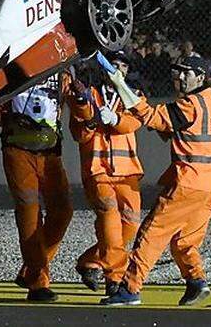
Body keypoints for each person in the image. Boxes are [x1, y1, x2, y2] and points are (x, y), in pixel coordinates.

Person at [102, 55, 211, 307]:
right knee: (185, 240)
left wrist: (121, 87)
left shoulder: (191, 104)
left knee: (150, 234)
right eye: (177, 71)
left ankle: (130, 289)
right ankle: (196, 281)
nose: (179, 77)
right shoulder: (210, 100)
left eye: (186, 73)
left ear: (200, 77)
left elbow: (151, 116)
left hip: (188, 184)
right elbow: (174, 126)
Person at [0, 74, 73, 302]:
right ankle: (38, 283)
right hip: (17, 149)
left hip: (50, 152)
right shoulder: (10, 70)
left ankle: (31, 269)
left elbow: (81, 113)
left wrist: (82, 100)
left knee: (63, 211)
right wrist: (0, 102)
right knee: (29, 211)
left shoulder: (64, 74)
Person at [65, 53, 144, 298]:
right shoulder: (90, 95)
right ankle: (114, 277)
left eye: (122, 66)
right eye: (113, 65)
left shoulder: (134, 94)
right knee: (109, 217)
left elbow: (134, 122)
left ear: (126, 71)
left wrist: (116, 118)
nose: (117, 70)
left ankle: (91, 261)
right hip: (97, 170)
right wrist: (84, 111)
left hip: (127, 171)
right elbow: (79, 133)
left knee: (131, 223)